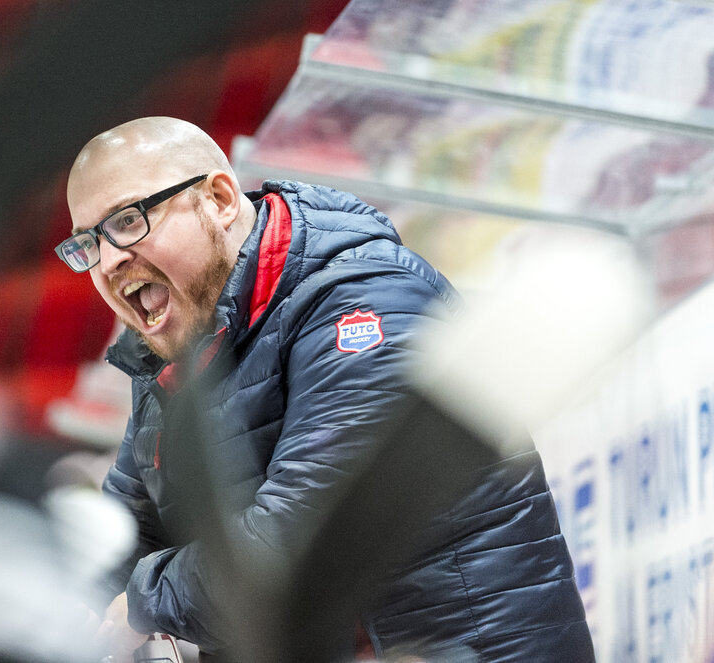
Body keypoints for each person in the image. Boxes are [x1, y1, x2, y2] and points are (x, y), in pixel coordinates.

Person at [56, 116, 594, 662]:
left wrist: (143, 601)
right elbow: (124, 531)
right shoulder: (176, 353)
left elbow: (296, 551)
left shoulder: (367, 302)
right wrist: (72, 602)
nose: (110, 260)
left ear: (219, 200)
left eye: (128, 221)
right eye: (88, 244)